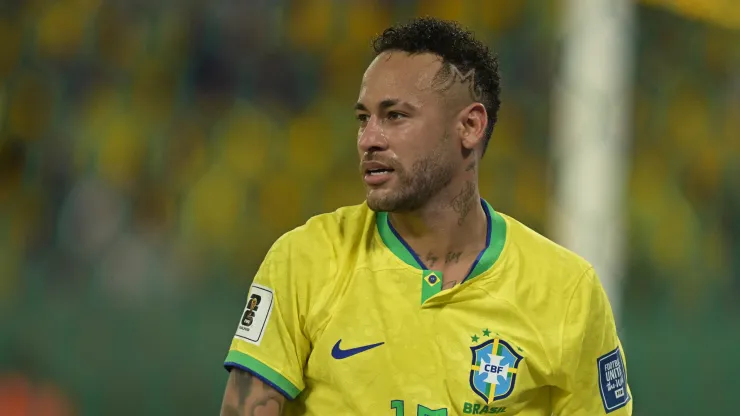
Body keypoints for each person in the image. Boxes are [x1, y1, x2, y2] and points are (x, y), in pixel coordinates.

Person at [220, 17, 633, 416]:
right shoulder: (306, 260)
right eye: (363, 118)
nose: (368, 139)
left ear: (470, 126)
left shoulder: (567, 292)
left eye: (394, 116)